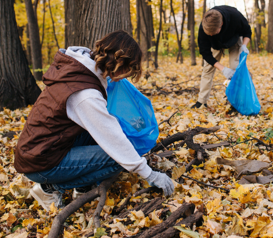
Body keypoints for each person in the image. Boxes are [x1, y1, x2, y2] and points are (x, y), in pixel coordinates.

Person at [14, 30, 174, 211]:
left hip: (44, 147)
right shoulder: (85, 94)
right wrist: (150, 174)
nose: (126, 76)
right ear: (120, 64)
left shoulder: (80, 68)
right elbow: (114, 140)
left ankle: (82, 187)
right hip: (41, 162)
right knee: (117, 158)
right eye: (127, 70)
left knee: (106, 139)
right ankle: (48, 188)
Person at [192, 6, 252, 109]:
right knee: (207, 70)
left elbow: (247, 31)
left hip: (234, 40)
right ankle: (201, 102)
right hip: (215, 45)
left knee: (236, 68)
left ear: (221, 24)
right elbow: (205, 52)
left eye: (213, 33)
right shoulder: (204, 27)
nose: (210, 35)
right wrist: (223, 69)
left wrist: (244, 45)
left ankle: (237, 101)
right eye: (208, 34)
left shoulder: (235, 16)